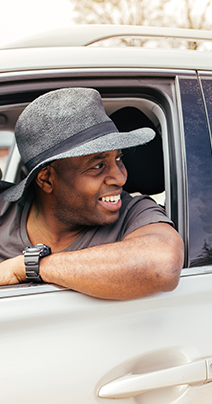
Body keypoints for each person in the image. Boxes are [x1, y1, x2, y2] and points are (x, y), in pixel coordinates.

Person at [0, 87, 184, 300]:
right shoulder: (4, 210)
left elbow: (162, 265)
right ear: (46, 179)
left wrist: (27, 266)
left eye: (118, 159)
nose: (121, 177)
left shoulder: (134, 213)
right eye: (98, 165)